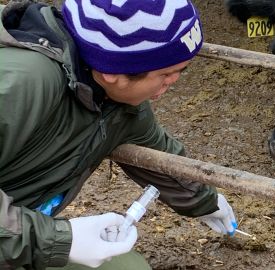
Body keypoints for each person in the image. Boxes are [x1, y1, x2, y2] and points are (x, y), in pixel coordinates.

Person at [0, 0, 237, 269]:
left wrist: (205, 198)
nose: (174, 82)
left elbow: (153, 146)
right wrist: (58, 239)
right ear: (112, 71)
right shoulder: (21, 83)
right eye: (166, 73)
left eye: (181, 71)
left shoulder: (113, 96)